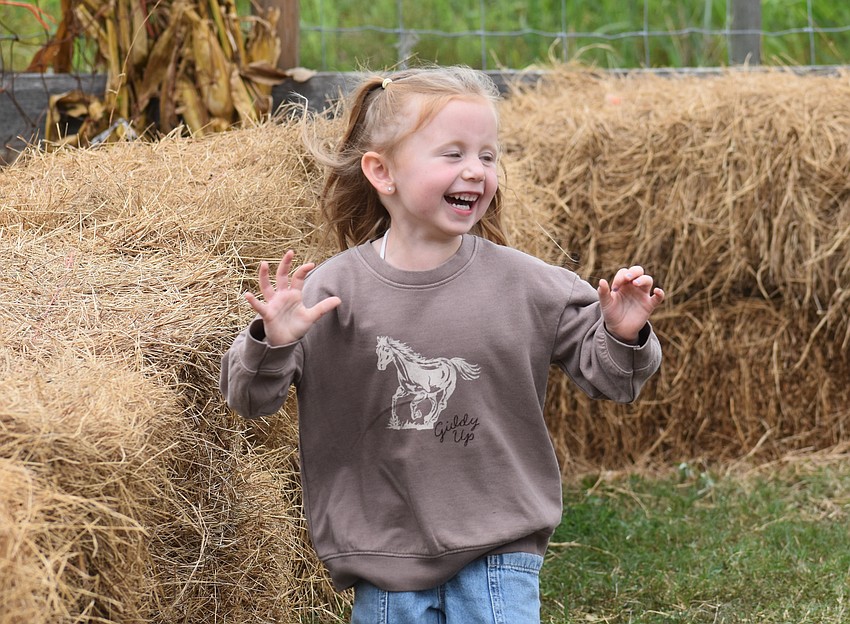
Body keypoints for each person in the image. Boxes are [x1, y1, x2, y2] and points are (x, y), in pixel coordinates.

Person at [220, 65, 664, 623]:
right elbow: (248, 399)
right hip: (385, 557)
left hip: (499, 548)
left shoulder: (528, 283)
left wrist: (624, 334)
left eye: (487, 155)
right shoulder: (328, 294)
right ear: (382, 172)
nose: (476, 171)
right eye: (452, 154)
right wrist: (272, 341)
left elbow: (613, 379)